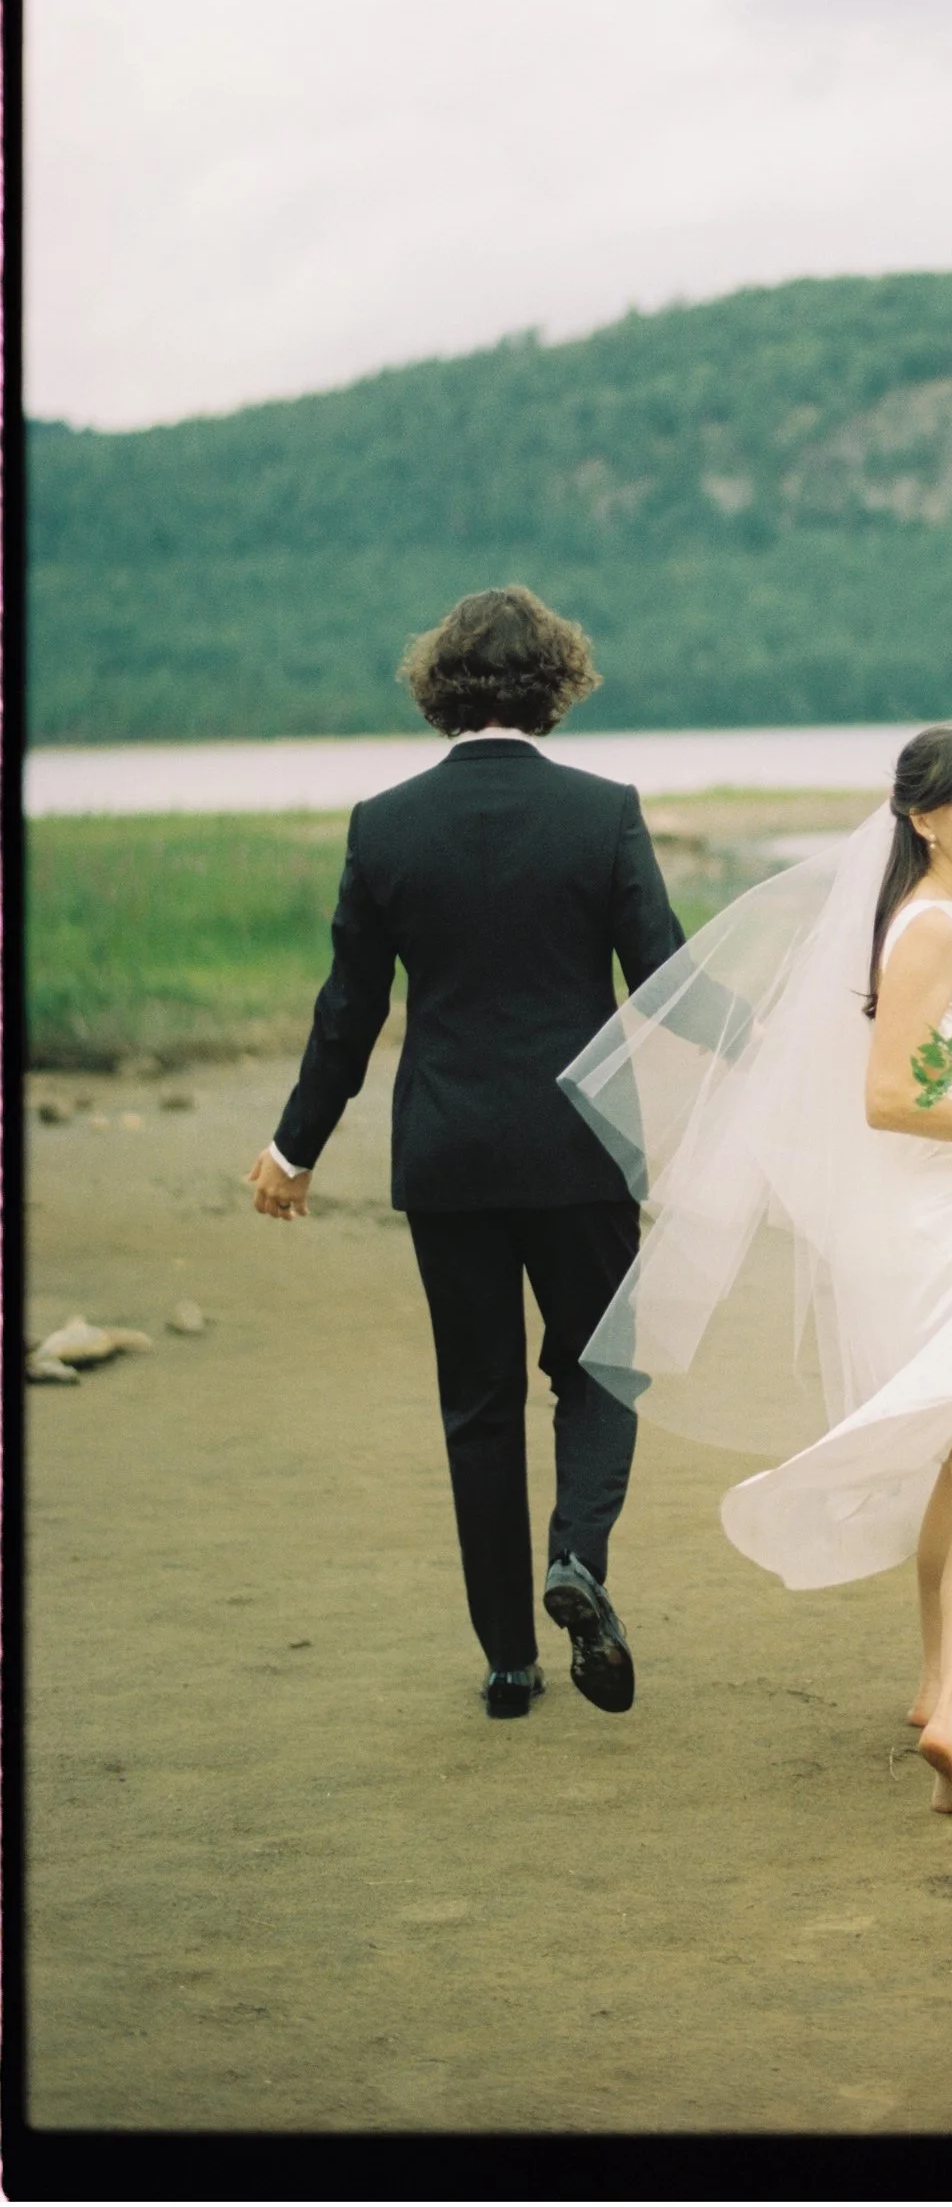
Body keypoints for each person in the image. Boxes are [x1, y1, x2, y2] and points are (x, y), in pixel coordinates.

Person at [562, 723, 952, 1817]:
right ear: (918, 815)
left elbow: (940, 1066)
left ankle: (932, 1682)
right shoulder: (926, 931)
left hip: (936, 1226)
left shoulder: (950, 916)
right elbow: (886, 1099)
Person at [245, 585, 685, 1722]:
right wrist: (790, 1050)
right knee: (598, 1365)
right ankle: (574, 1558)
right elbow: (668, 981)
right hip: (583, 1148)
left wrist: (294, 1148)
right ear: (557, 681)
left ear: (441, 685)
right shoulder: (603, 812)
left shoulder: (384, 823)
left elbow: (349, 1010)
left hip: (445, 1153)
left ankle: (506, 1662)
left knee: (477, 1399)